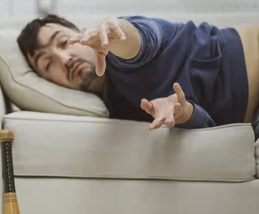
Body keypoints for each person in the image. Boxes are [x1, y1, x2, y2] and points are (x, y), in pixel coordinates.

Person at [16, 14, 259, 131]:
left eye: (64, 42)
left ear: (82, 32)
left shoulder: (121, 49)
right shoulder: (116, 106)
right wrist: (183, 112)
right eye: (48, 65)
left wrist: (116, 33)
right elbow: (206, 124)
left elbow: (141, 41)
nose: (64, 59)